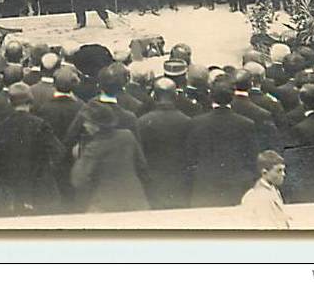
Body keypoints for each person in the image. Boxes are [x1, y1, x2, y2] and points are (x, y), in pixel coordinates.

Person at [0, 83, 64, 216]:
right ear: (31, 101)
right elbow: (58, 151)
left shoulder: (1, 127)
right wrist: (46, 170)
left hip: (11, 188)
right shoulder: (40, 125)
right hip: (38, 187)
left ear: (9, 102)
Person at [70, 100, 150, 213]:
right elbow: (142, 166)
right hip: (136, 200)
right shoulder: (128, 135)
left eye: (87, 122)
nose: (84, 125)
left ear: (97, 126)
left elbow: (78, 180)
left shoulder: (93, 148)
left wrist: (77, 158)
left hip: (105, 204)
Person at [186, 85, 259, 207]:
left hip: (205, 183)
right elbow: (252, 156)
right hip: (236, 184)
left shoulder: (197, 122)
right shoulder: (246, 124)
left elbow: (191, 154)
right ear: (232, 98)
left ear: (211, 97)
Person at [136, 77, 192, 209]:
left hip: (152, 183)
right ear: (175, 96)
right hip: (180, 183)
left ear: (154, 96)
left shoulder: (142, 122)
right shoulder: (187, 121)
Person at [241, 150, 290, 229]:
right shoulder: (256, 196)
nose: (283, 174)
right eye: (279, 171)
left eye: (283, 170)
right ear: (264, 172)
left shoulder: (273, 190)